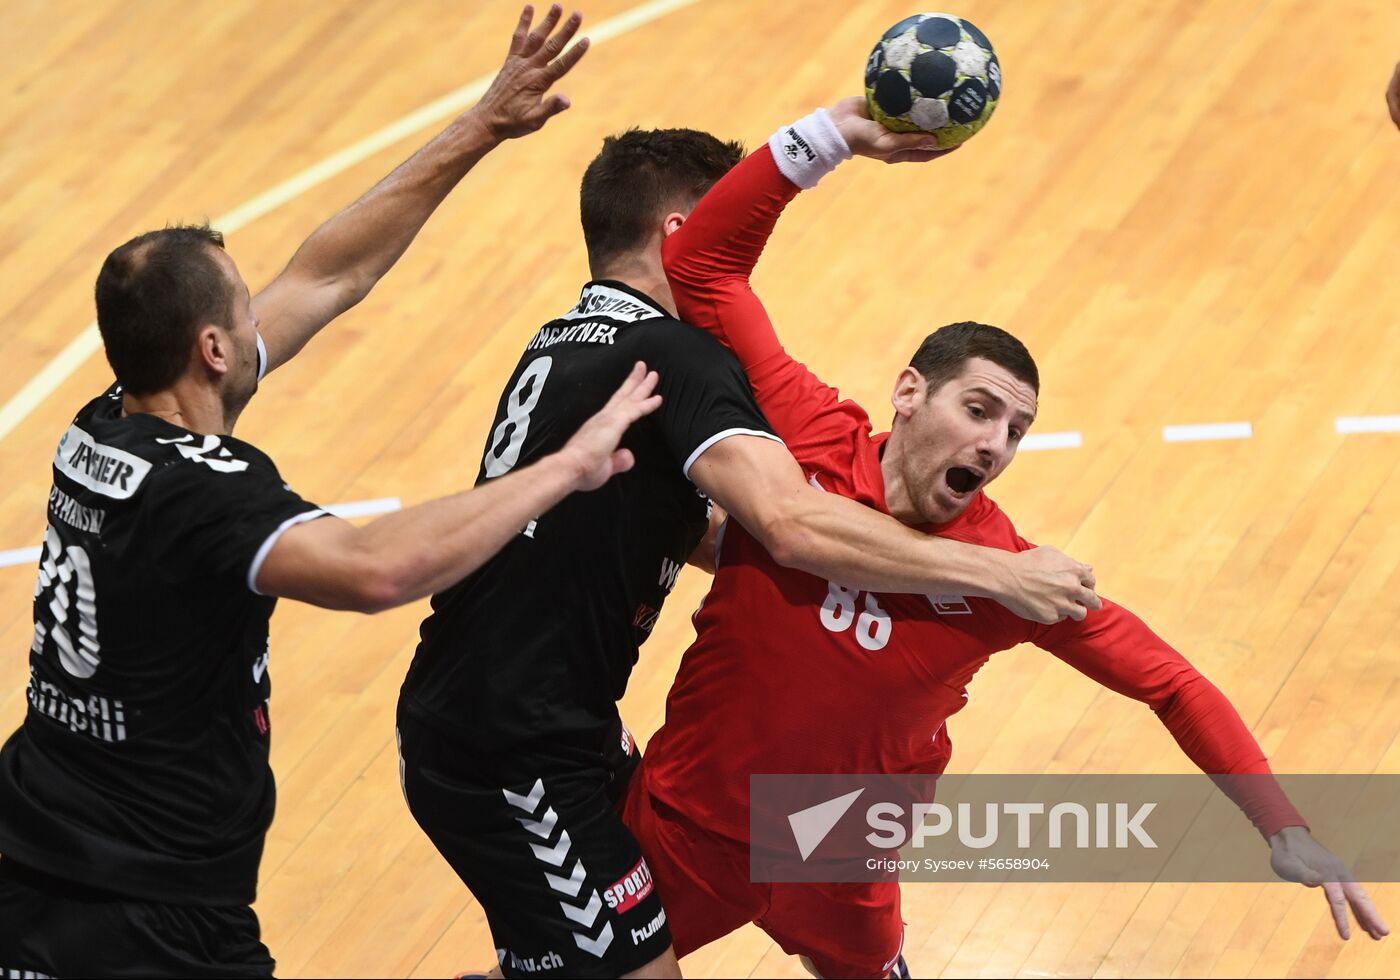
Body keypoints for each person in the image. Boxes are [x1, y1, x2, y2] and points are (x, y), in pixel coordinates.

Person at [618, 99, 1391, 979]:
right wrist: (832, 135)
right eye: (978, 410)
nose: (994, 444)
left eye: (1015, 432)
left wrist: (1280, 826)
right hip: (692, 829)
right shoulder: (807, 434)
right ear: (909, 393)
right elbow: (704, 264)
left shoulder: (1020, 579)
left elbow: (1172, 683)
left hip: (839, 860)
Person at [0, 7, 639, 977]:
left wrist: (482, 123)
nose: (265, 310)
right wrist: (564, 465)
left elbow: (331, 271)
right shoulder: (205, 492)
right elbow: (377, 569)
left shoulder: (100, 426)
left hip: (35, 844)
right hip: (152, 905)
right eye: (243, 306)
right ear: (212, 349)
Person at [397, 119, 1103, 980]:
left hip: (554, 718)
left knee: (629, 921)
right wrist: (996, 572)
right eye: (731, 220)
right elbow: (792, 524)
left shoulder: (573, 340)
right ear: (682, 234)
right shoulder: (676, 355)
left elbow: (663, 522)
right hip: (507, 745)